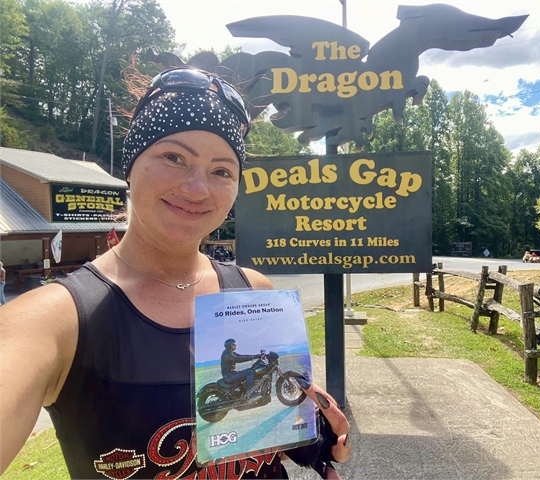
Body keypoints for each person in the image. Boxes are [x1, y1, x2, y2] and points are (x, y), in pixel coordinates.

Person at [0, 65, 350, 479]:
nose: (197, 189)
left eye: (222, 171)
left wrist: (310, 441)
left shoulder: (253, 291)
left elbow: (258, 441)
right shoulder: (54, 320)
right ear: (131, 164)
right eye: (174, 157)